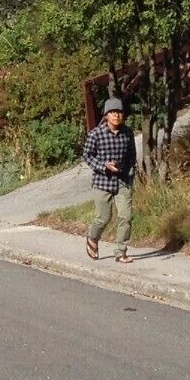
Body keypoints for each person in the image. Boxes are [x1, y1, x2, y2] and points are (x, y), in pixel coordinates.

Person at [82, 96, 137, 262]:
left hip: (122, 180)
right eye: (113, 112)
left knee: (126, 216)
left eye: (119, 112)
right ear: (106, 115)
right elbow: (87, 155)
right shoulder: (96, 134)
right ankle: (92, 238)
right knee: (103, 218)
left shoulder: (128, 133)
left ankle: (121, 251)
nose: (116, 116)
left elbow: (132, 155)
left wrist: (129, 171)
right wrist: (103, 165)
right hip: (102, 182)